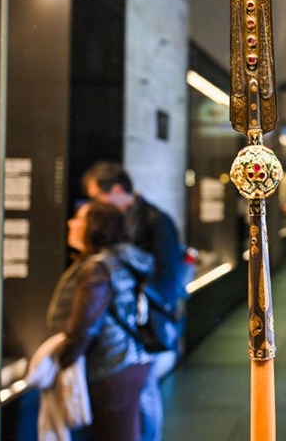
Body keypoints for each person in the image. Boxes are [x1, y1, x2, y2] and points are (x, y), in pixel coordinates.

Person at [82, 161, 185, 441]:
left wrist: (133, 295)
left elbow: (167, 277)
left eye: (96, 197)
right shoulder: (131, 219)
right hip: (130, 323)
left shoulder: (155, 220)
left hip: (144, 324)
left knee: (144, 392)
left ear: (116, 190)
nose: (93, 204)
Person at [47, 201, 153, 441]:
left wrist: (61, 360)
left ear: (96, 227)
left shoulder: (97, 267)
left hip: (111, 366)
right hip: (127, 361)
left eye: (80, 219)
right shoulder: (119, 258)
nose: (71, 223)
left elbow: (85, 326)